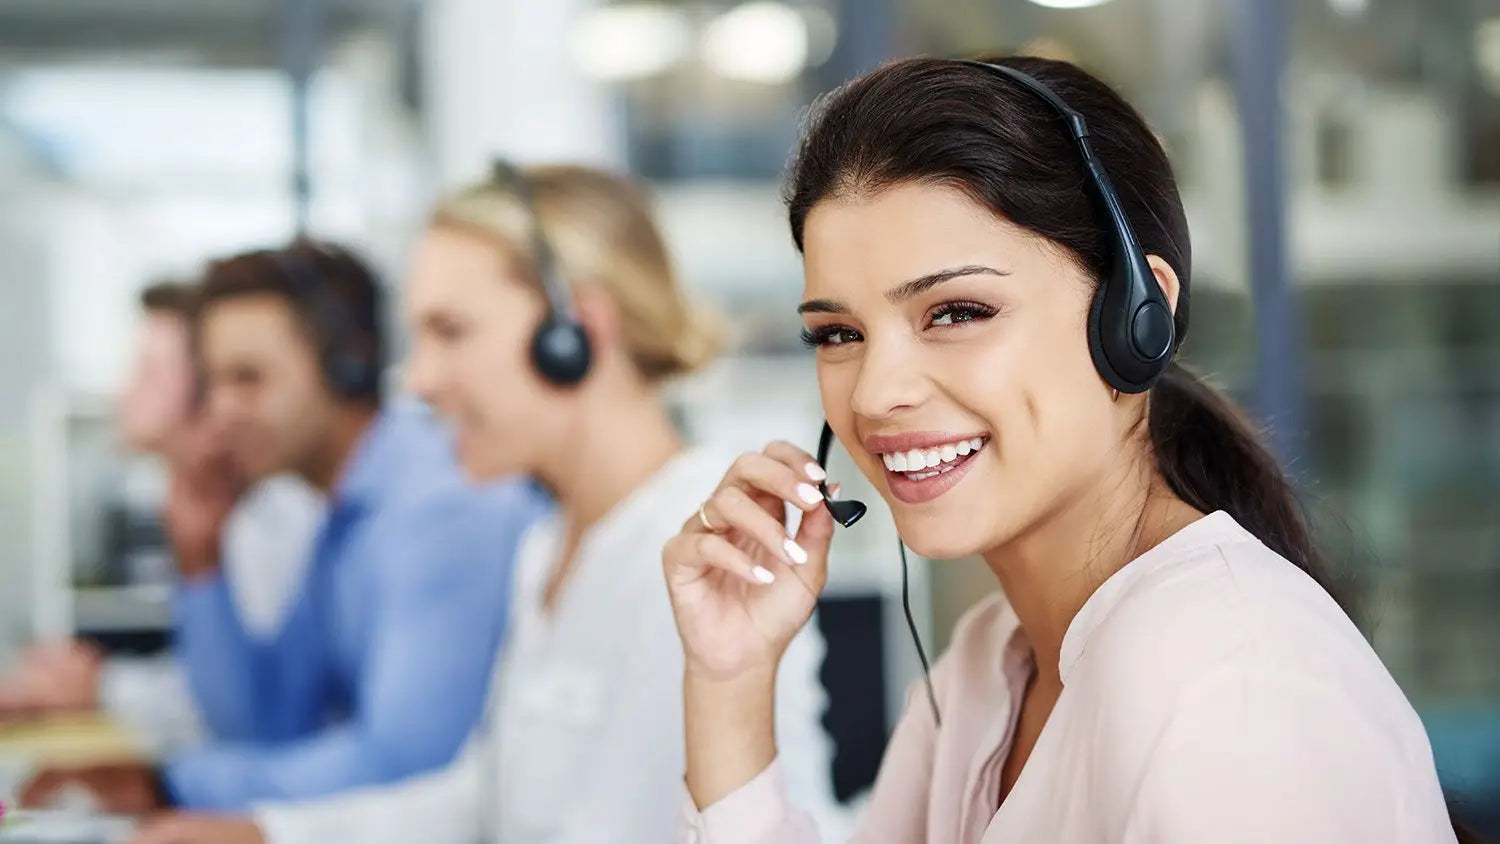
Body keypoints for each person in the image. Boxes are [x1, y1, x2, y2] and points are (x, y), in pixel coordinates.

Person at [664, 56, 1466, 843]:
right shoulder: (985, 668)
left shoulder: (1231, 693)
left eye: (957, 312)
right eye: (838, 334)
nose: (874, 395)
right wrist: (732, 683)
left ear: (1136, 320)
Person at [130, 163, 846, 844]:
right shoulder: (550, 543)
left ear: (575, 332)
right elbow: (492, 799)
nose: (418, 380)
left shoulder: (706, 542)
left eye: (451, 332)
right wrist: (269, 832)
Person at [22, 243, 546, 812]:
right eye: (213, 382)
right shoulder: (340, 520)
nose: (222, 410)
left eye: (248, 378)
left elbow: (402, 766)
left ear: (347, 367)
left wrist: (168, 785)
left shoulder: (440, 507)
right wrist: (201, 559)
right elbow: (265, 724)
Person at [0, 282, 323, 752]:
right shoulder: (200, 504)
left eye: (149, 372)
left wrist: (98, 686)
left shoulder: (267, 518)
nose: (124, 391)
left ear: (206, 391)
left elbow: (253, 712)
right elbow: (210, 676)